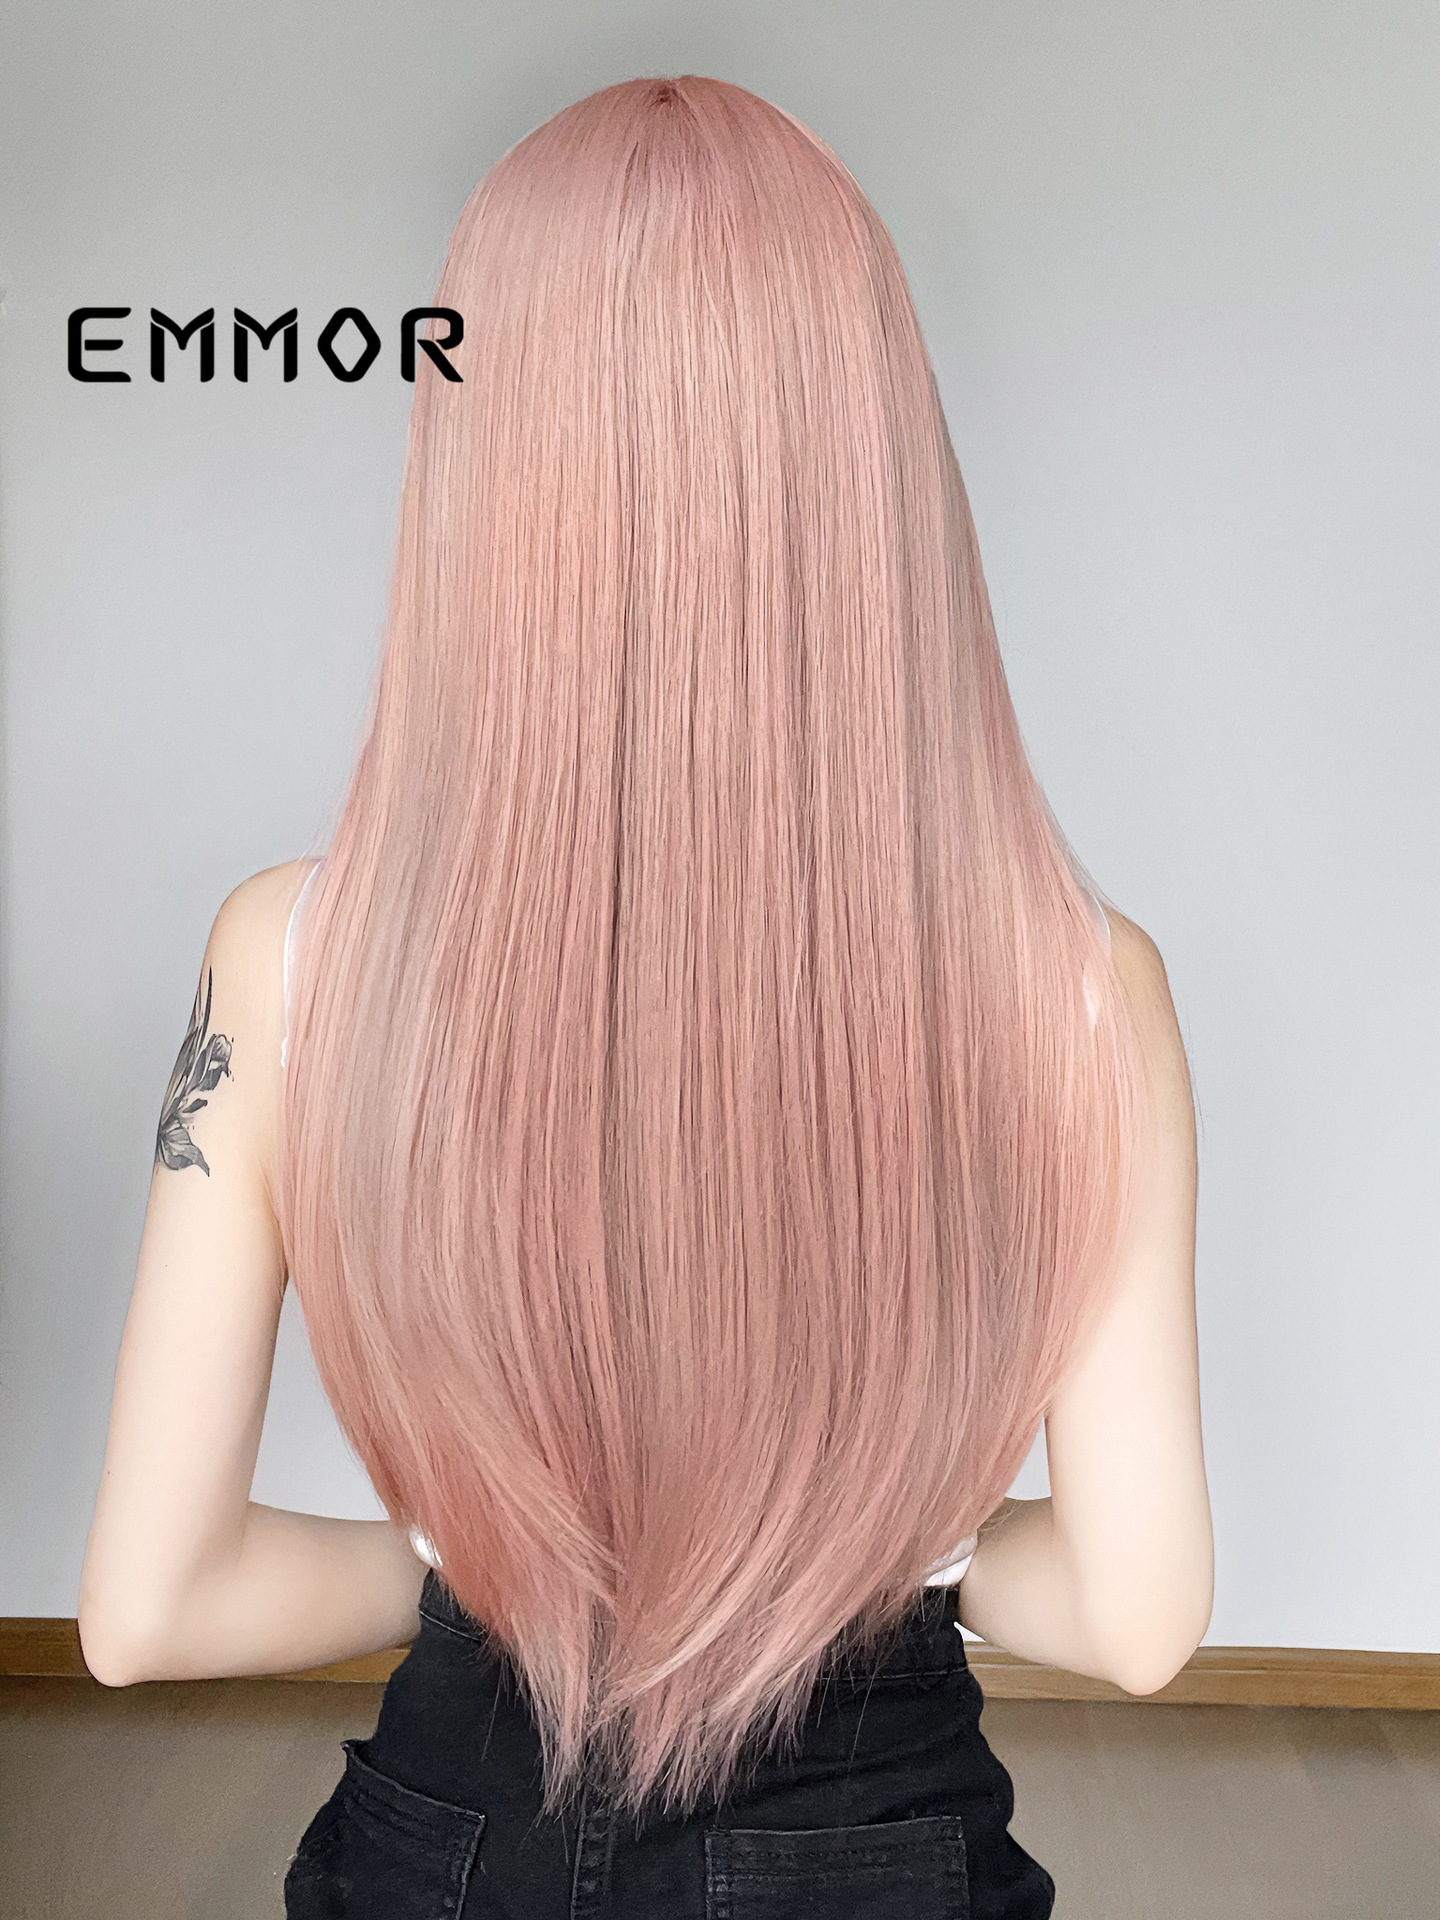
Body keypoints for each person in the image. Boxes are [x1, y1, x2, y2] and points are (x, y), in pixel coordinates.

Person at [78, 74, 1212, 1918]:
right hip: (875, 1843)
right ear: (869, 454)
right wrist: (899, 1547)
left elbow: (150, 1610)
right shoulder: (1079, 987)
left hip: (452, 1847)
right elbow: (1141, 1618)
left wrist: (475, 1560)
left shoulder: (284, 959)